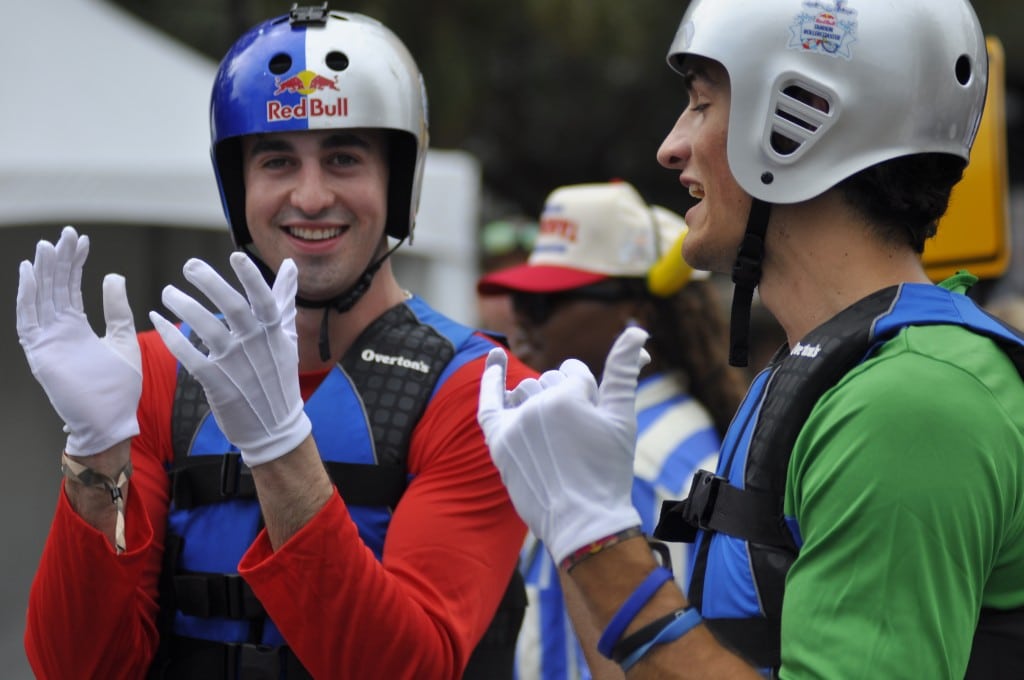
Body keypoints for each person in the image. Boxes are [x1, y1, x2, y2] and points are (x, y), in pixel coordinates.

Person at [475, 0, 1024, 677]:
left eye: (701, 105)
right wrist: (575, 522)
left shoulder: (910, 400)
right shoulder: (827, 373)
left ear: (805, 121)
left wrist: (603, 542)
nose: (671, 146)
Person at [17, 6, 535, 679]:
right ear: (239, 187)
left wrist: (280, 451)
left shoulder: (485, 393)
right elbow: (78, 668)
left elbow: (407, 669)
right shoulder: (157, 372)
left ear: (398, 180)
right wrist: (95, 454)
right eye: (277, 160)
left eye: (344, 158)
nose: (311, 197)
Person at [477, 180, 747, 679]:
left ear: (635, 313)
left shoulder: (633, 464)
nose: (522, 322)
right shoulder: (668, 432)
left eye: (546, 302)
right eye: (520, 301)